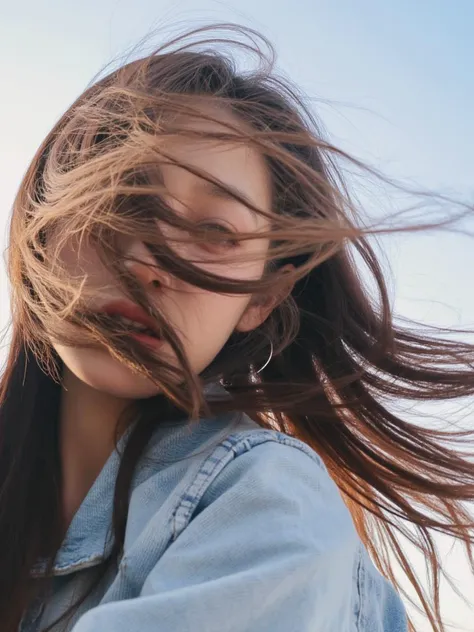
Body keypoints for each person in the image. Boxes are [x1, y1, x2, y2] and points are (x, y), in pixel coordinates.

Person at [1, 23, 472, 632]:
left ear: (261, 300)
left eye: (217, 234)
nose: (150, 265)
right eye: (123, 197)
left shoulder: (264, 500)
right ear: (44, 218)